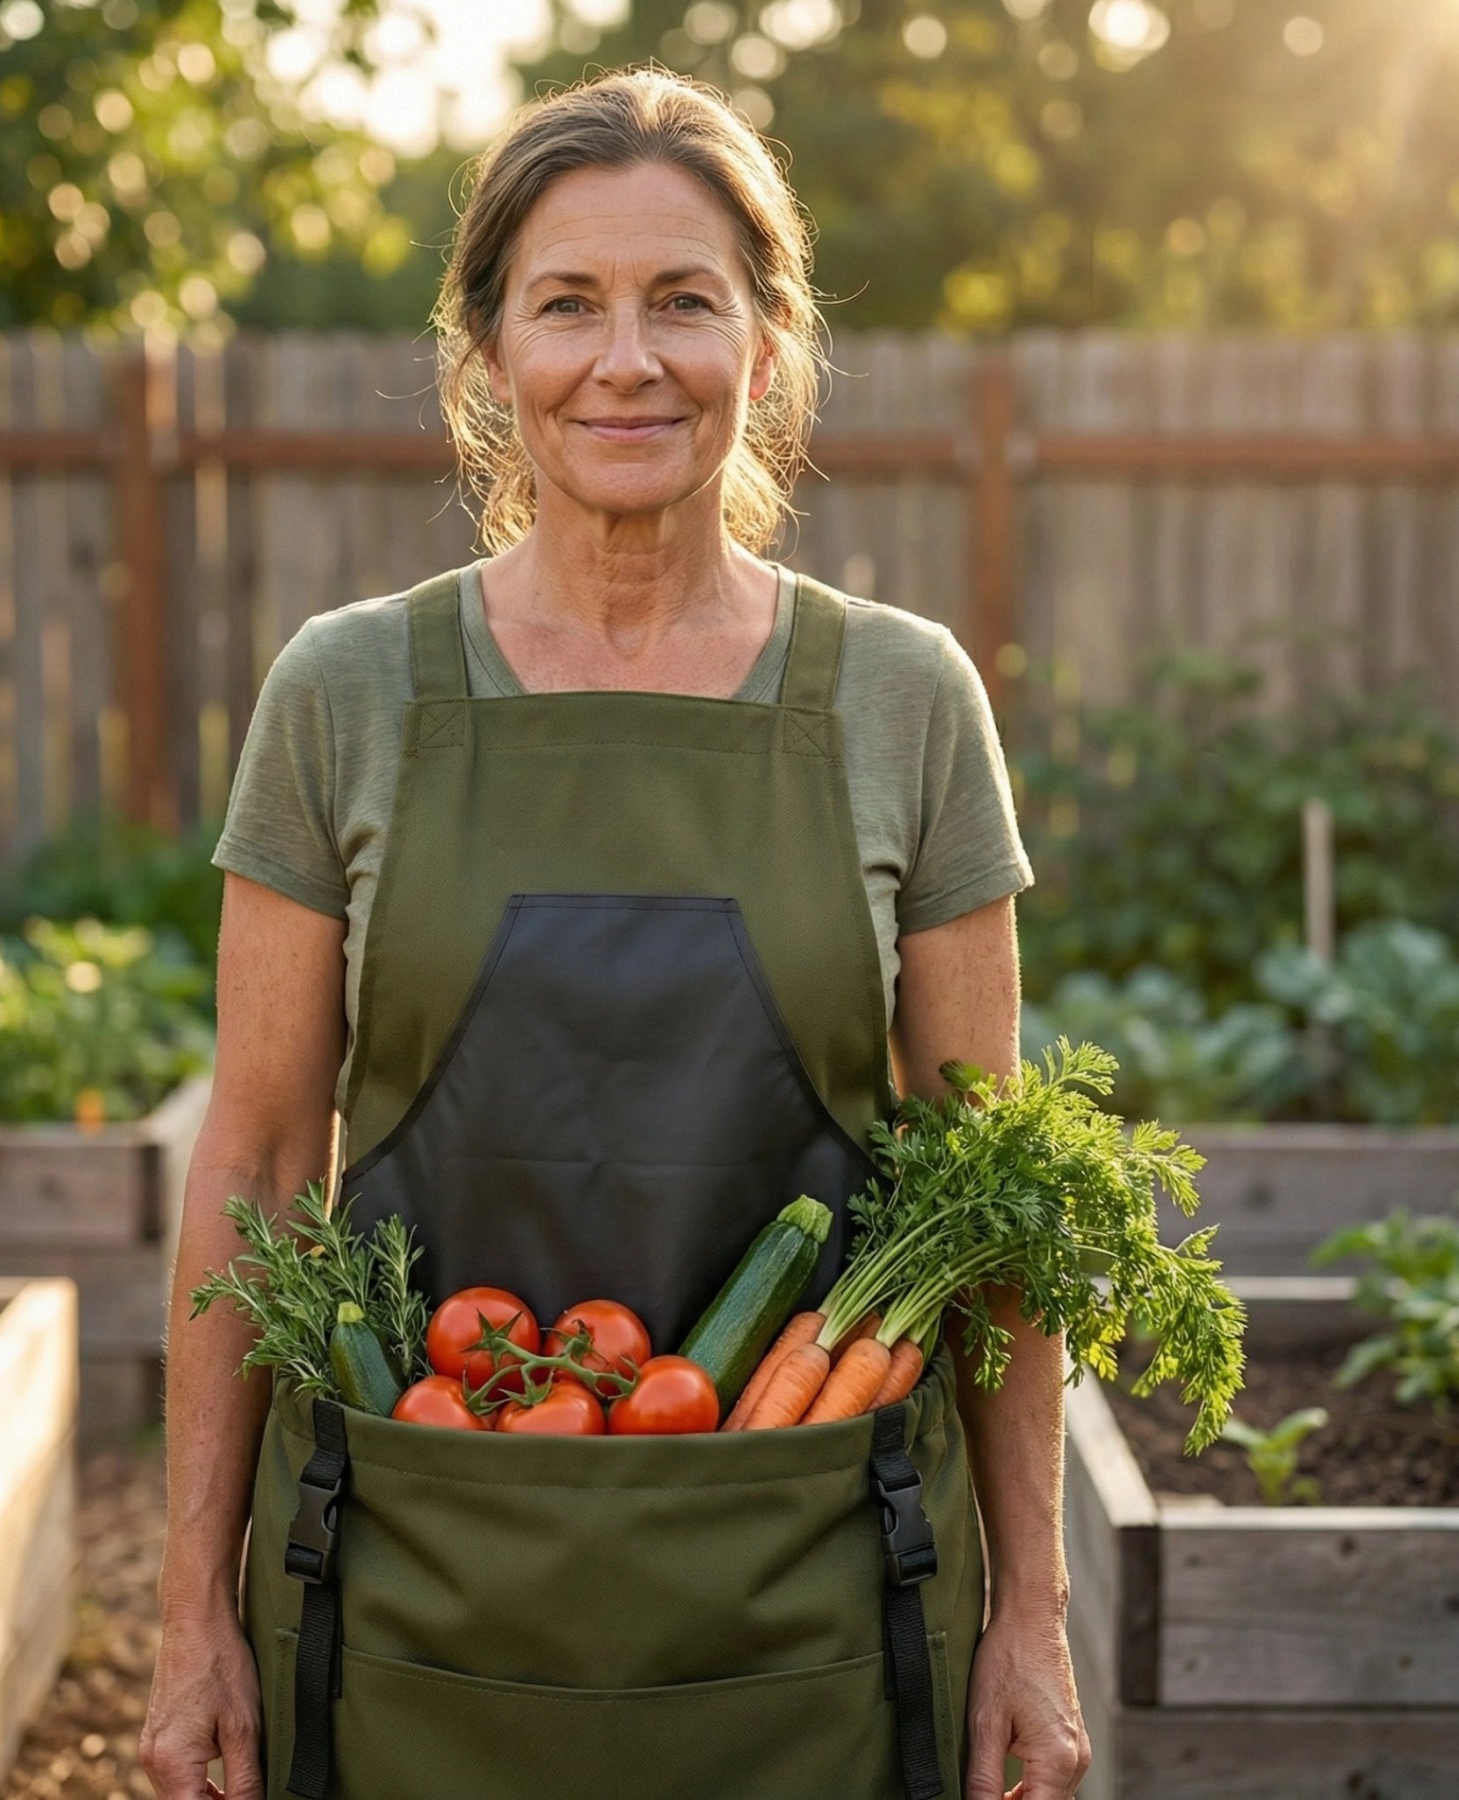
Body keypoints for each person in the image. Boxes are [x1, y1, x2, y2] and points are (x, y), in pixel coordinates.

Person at [141, 67, 1089, 1800]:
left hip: (811, 1592)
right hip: (416, 1560)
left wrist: (1035, 1609)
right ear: (489, 349)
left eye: (685, 302)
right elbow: (261, 1158)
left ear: (769, 341)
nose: (625, 359)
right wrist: (188, 1608)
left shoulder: (902, 699)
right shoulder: (348, 693)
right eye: (566, 302)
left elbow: (991, 1203)